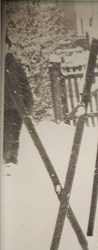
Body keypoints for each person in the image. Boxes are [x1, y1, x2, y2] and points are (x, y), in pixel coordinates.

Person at [3, 35, 34, 166]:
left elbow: (25, 85)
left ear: (8, 47)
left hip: (16, 108)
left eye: (4, 45)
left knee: (14, 136)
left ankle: (12, 162)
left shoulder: (15, 65)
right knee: (6, 137)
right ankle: (5, 161)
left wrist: (29, 104)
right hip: (3, 109)